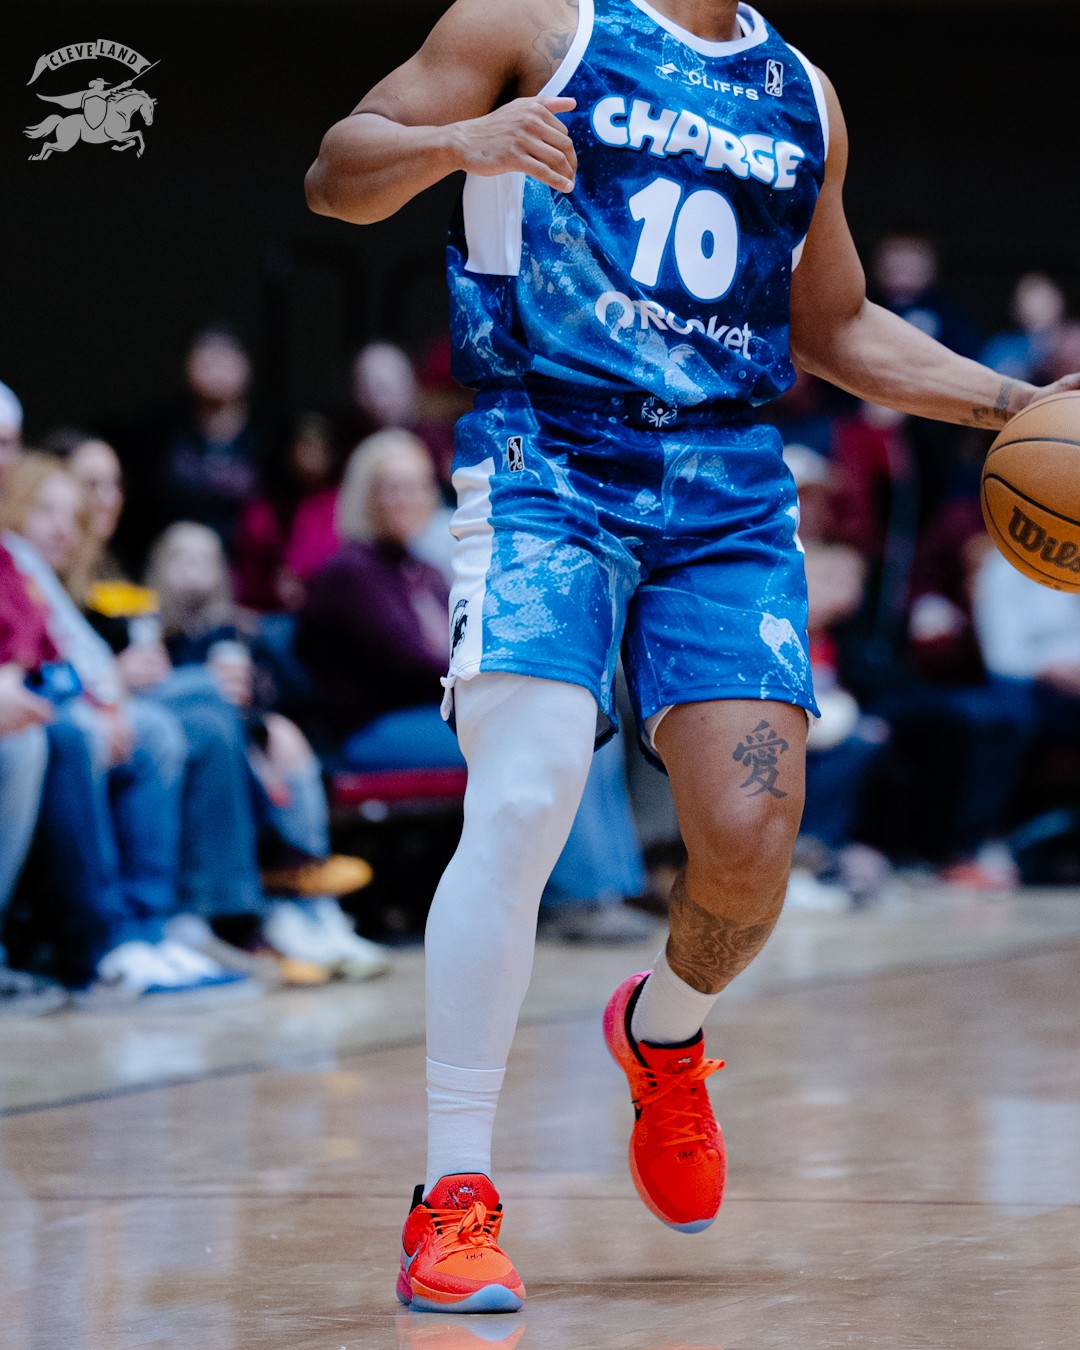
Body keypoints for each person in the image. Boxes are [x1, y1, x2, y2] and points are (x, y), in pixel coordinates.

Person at [305, 0, 1080, 1311]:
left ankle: (661, 1031)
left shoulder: (801, 92)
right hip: (547, 455)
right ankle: (452, 1195)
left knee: (754, 841)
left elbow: (836, 325)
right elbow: (338, 171)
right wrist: (459, 145)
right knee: (529, 788)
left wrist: (1021, 407)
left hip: (725, 485)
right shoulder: (533, 20)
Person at [299, 430, 650, 939]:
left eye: (418, 486)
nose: (407, 500)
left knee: (581, 723)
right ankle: (574, 898)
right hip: (377, 730)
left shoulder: (422, 569)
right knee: (544, 735)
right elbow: (409, 662)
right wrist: (503, 673)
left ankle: (615, 884)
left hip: (442, 712)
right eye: (392, 488)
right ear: (363, 496)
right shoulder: (350, 572)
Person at [0, 454, 246, 998]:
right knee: (77, 733)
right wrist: (99, 697)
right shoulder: (16, 558)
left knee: (161, 729)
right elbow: (35, 659)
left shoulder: (48, 567)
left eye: (70, 514)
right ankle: (102, 937)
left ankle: (152, 924)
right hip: (47, 714)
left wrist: (102, 699)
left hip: (61, 701)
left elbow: (59, 656)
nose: (64, 526)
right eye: (46, 512)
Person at [146, 521, 393, 981]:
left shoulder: (241, 631)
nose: (193, 571)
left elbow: (298, 694)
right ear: (159, 568)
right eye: (181, 558)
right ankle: (286, 885)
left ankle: (315, 907)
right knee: (233, 741)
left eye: (205, 559)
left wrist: (258, 703)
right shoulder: (144, 635)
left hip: (255, 746)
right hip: (207, 750)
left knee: (284, 735)